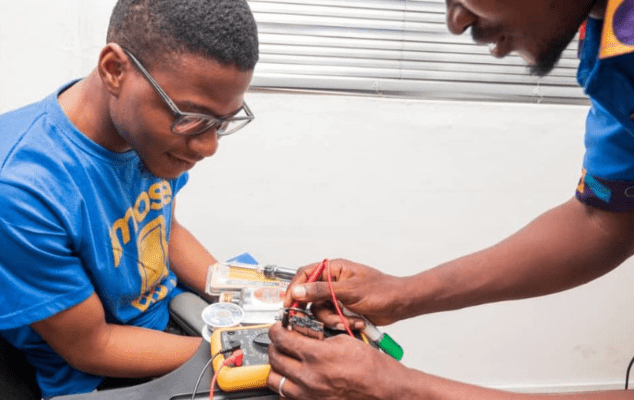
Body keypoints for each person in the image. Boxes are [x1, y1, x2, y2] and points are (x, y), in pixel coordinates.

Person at [266, 0, 634, 398]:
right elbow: (607, 220)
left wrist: (401, 390)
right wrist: (402, 294)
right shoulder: (611, 46)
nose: (456, 22)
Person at [0, 0, 258, 397]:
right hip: (105, 377)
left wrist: (254, 298)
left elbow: (166, 231)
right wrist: (244, 351)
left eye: (223, 122)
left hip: (173, 324)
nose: (209, 146)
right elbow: (92, 347)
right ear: (114, 70)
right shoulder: (8, 190)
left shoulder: (143, 135)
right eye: (191, 117)